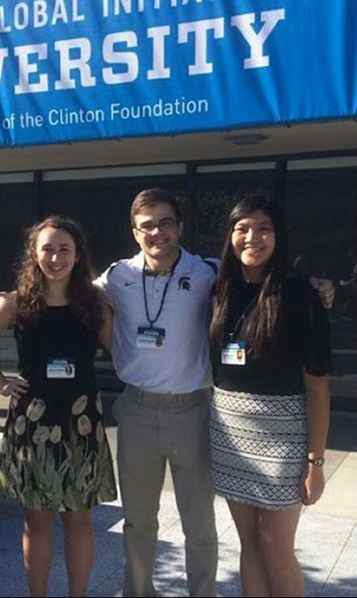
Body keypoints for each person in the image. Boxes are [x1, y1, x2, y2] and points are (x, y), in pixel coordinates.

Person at [95, 188, 334, 598]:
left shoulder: (208, 272)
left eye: (166, 222)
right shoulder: (118, 275)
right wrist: (14, 299)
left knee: (200, 523)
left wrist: (316, 286)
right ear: (134, 232)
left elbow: (266, 288)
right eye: (147, 225)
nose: (157, 232)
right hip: (135, 409)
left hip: (195, 411)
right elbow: (70, 291)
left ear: (180, 227)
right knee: (138, 519)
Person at [0, 216, 117, 598]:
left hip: (80, 422)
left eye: (64, 248)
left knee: (79, 519)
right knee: (37, 520)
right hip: (31, 423)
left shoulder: (94, 305)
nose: (55, 257)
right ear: (34, 254)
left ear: (77, 254)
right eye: (47, 248)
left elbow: (121, 347)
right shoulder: (15, 303)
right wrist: (0, 382)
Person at [209, 194, 331, 597]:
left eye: (263, 228)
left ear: (279, 236)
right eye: (242, 228)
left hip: (283, 437)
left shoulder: (302, 296)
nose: (252, 238)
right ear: (230, 235)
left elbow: (317, 385)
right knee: (248, 543)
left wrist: (315, 460)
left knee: (277, 546)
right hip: (229, 433)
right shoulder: (220, 290)